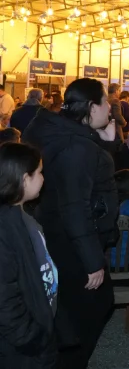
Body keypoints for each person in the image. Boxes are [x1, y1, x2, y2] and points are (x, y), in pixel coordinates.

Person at [22, 78, 119, 369]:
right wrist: (92, 261)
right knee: (89, 310)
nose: (110, 108)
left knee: (70, 312)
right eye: (105, 102)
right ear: (91, 107)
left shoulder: (59, 131)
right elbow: (75, 205)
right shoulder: (76, 146)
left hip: (51, 232)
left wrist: (105, 142)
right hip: (70, 241)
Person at [0, 142, 58, 368]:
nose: (43, 178)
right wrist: (34, 340)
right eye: (39, 172)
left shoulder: (20, 215)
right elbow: (5, 298)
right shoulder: (5, 227)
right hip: (22, 351)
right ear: (24, 179)